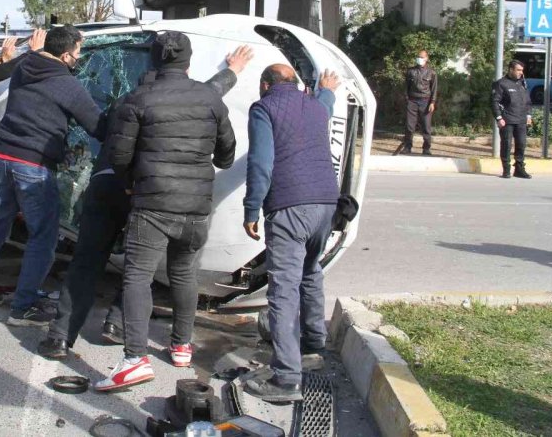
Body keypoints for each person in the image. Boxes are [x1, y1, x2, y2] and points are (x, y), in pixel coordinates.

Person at [38, 45, 254, 361]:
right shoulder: (177, 100)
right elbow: (210, 93)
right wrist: (232, 71)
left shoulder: (127, 100)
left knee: (87, 261)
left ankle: (60, 337)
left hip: (106, 183)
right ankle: (116, 322)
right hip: (142, 189)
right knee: (142, 264)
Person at [94, 31, 235, 391]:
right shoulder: (209, 98)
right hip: (196, 206)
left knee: (138, 276)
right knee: (184, 274)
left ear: (154, 61)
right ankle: (181, 345)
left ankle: (135, 358)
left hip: (152, 204)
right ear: (188, 62)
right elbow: (226, 154)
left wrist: (130, 182)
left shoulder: (138, 98)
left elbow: (119, 156)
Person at [0, 25, 106, 327]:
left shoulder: (26, 66)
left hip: (1, 157)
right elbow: (98, 126)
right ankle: (23, 306)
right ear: (66, 55)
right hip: (35, 165)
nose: (79, 57)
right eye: (78, 52)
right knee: (43, 236)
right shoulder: (67, 84)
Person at [240, 65, 342, 403]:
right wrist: (327, 88)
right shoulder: (314, 105)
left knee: (282, 289)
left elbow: (261, 162)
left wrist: (252, 208)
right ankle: (313, 347)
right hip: (327, 202)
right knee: (311, 273)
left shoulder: (264, 108)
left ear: (265, 84)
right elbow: (326, 106)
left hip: (289, 206)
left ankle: (286, 379)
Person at [492, 59, 533, 179]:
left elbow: (527, 101)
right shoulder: (501, 83)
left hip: (521, 119)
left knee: (521, 144)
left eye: (522, 70)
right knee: (506, 144)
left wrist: (529, 115)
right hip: (507, 119)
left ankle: (519, 169)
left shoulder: (522, 83)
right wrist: (499, 118)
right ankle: (506, 169)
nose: (521, 73)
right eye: (518, 70)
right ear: (511, 70)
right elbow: (494, 102)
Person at [402, 50, 437, 156]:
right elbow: (405, 87)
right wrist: (407, 99)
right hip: (412, 101)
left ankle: (426, 149)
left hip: (425, 102)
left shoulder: (432, 72)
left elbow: (434, 89)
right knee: (409, 126)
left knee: (426, 127)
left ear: (426, 58)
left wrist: (433, 102)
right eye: (418, 57)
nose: (419, 59)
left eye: (422, 57)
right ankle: (407, 147)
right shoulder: (410, 71)